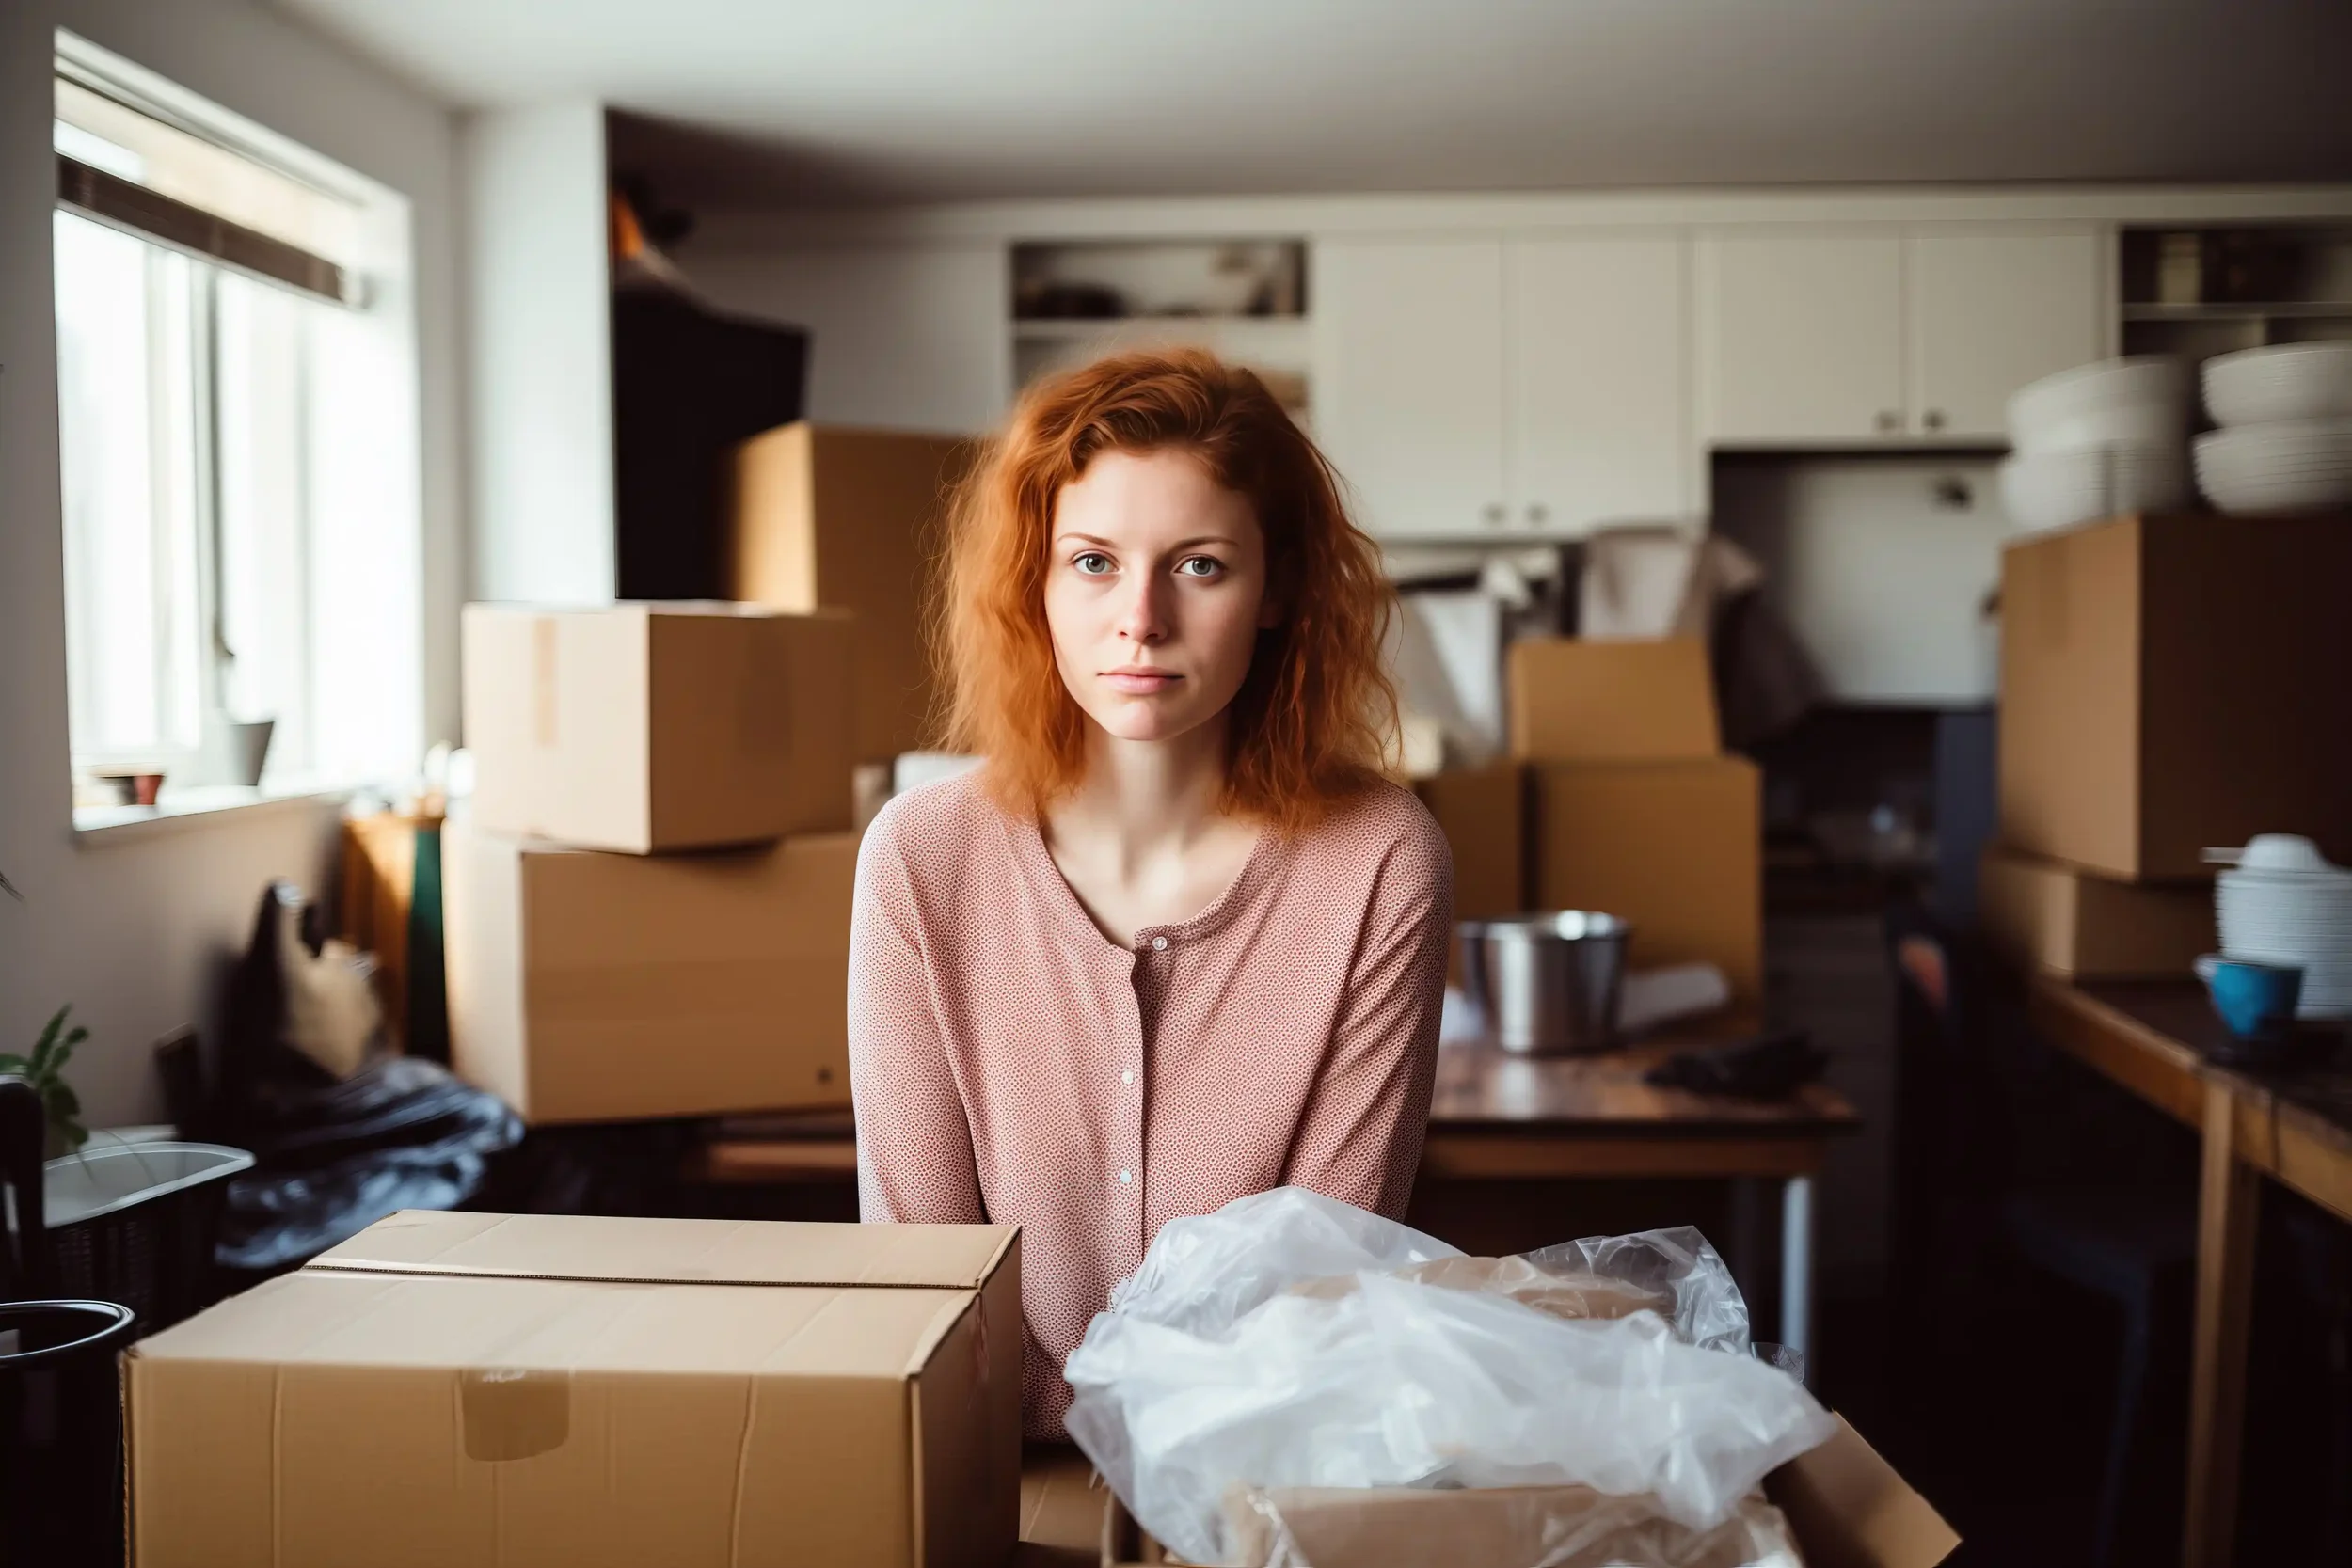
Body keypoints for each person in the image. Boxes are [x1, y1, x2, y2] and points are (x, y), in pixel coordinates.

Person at [850, 348, 1453, 1436]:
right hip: (983, 1477)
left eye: (1201, 565)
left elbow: (1322, 1279)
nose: (1141, 616)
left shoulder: (1379, 858)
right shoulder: (919, 858)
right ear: (1034, 582)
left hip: (1257, 1474)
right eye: (1091, 562)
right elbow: (920, 1287)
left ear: (1277, 590)